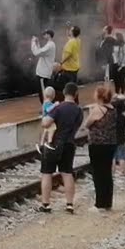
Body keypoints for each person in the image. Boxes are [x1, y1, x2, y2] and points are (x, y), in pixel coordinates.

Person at [39, 82, 82, 214]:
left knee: (47, 173)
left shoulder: (58, 108)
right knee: (67, 173)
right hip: (69, 144)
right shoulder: (78, 110)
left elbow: (45, 123)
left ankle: (46, 204)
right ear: (76, 94)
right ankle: (69, 204)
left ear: (64, 92)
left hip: (53, 144)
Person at [80, 85, 118, 212]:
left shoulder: (98, 110)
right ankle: (108, 202)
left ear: (99, 96)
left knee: (98, 174)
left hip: (97, 145)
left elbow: (87, 124)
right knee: (107, 173)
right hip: (111, 144)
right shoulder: (113, 109)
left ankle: (99, 204)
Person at [30, 30, 57, 104]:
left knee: (43, 92)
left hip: (43, 73)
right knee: (44, 91)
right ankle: (47, 108)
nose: (44, 35)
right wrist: (37, 43)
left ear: (49, 35)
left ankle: (46, 109)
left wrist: (33, 42)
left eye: (45, 34)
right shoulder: (50, 44)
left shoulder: (50, 45)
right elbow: (41, 52)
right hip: (44, 72)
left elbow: (36, 53)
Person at [111, 91, 125, 177]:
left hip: (112, 139)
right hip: (121, 138)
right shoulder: (123, 118)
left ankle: (112, 172)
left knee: (111, 157)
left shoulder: (111, 117)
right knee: (121, 156)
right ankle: (122, 172)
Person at [57, 26, 82, 94]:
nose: (69, 31)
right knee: (73, 87)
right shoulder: (78, 40)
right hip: (74, 66)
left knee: (69, 88)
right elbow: (71, 39)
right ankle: (75, 100)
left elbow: (68, 55)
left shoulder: (71, 42)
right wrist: (68, 34)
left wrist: (61, 62)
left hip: (69, 68)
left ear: (72, 32)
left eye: (71, 30)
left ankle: (71, 100)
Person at [36, 86, 57, 154]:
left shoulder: (45, 102)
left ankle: (41, 144)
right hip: (48, 120)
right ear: (53, 96)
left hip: (44, 119)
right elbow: (48, 109)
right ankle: (49, 142)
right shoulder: (48, 103)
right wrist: (55, 105)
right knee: (53, 128)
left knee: (45, 131)